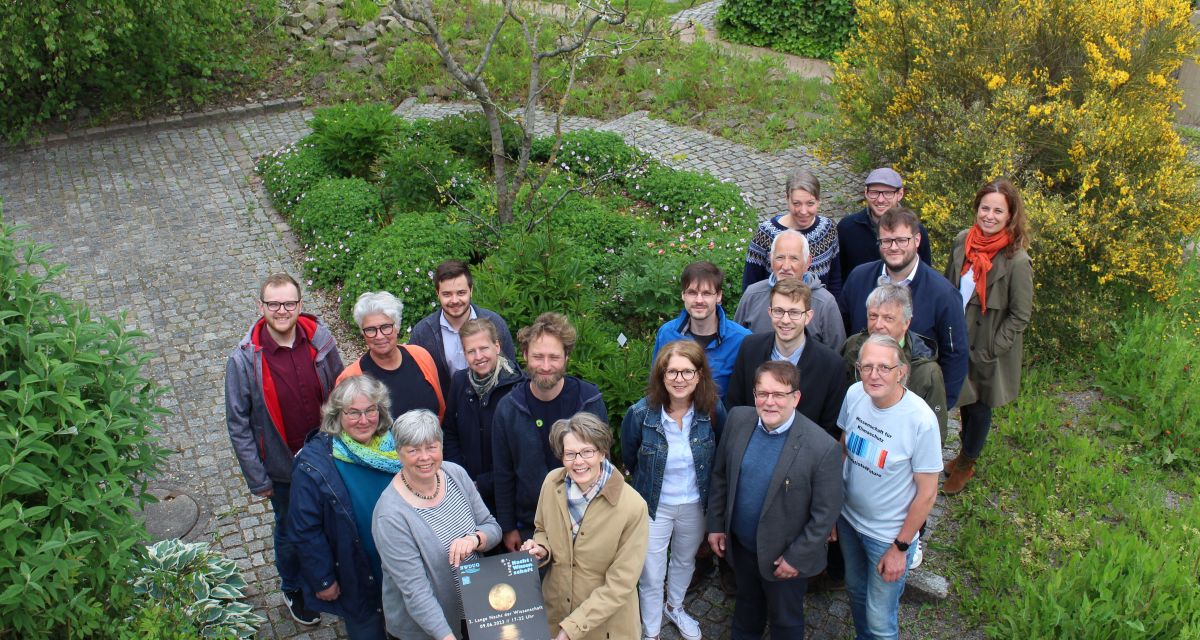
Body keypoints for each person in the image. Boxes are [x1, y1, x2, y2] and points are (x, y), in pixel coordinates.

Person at [225, 272, 344, 626]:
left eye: (289, 303)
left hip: (327, 456)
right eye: (273, 304)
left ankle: (333, 577)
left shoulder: (321, 341)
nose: (282, 310)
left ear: (300, 305)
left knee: (332, 521)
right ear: (261, 306)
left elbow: (341, 392)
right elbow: (238, 423)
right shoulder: (244, 359)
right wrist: (257, 476)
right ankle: (293, 587)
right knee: (291, 529)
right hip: (283, 468)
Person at [707, 361, 843, 640]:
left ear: (795, 398)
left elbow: (826, 512)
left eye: (779, 395)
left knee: (786, 622)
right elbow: (721, 476)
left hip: (785, 559)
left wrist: (796, 558)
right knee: (746, 609)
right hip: (742, 548)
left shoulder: (821, 447)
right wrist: (716, 524)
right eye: (762, 393)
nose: (770, 403)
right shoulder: (737, 420)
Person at [836, 335, 941, 640]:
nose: (874, 374)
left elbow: (928, 493)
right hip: (849, 522)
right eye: (866, 366)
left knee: (881, 621)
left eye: (884, 367)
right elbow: (843, 449)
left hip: (887, 537)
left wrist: (901, 548)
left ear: (901, 372)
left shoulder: (920, 420)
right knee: (856, 593)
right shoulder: (855, 394)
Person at [621, 340, 727, 640]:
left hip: (695, 504)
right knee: (651, 572)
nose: (679, 379)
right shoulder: (640, 415)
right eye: (672, 372)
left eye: (687, 372)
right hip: (654, 506)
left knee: (684, 560)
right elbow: (630, 457)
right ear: (661, 375)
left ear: (699, 375)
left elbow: (721, 455)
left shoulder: (712, 410)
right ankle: (651, 629)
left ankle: (675, 607)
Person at [372, 409, 501, 640]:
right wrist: (447, 636)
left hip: (475, 609)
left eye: (431, 447)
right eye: (413, 450)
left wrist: (475, 539)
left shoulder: (456, 474)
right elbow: (416, 592)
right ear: (399, 453)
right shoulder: (390, 515)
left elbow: (492, 527)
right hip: (427, 629)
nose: (424, 457)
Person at [520, 413, 649, 640]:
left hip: (606, 628)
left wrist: (572, 628)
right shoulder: (551, 483)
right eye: (570, 454)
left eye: (587, 452)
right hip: (556, 614)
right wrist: (542, 549)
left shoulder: (633, 506)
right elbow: (541, 529)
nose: (578, 462)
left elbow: (621, 583)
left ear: (601, 452)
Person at [941, 178, 1033, 494]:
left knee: (980, 406)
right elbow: (948, 287)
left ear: (1010, 216)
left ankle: (966, 463)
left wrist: (994, 347)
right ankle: (963, 453)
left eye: (998, 210)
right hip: (959, 341)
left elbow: (1020, 315)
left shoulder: (1016, 261)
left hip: (987, 348)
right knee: (964, 399)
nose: (989, 216)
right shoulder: (963, 242)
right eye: (984, 208)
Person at [288, 376, 396, 639]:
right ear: (337, 415)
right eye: (353, 413)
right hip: (355, 573)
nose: (364, 420)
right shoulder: (314, 463)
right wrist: (323, 578)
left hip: (400, 567)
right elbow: (304, 528)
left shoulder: (396, 446)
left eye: (370, 410)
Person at [493, 312, 607, 552]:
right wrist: (508, 526)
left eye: (554, 357)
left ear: (566, 357)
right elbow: (503, 473)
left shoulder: (588, 400)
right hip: (530, 525)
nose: (545, 366)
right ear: (524, 355)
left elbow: (604, 465)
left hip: (586, 521)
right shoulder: (508, 408)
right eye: (538, 357)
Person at [841, 206, 969, 411]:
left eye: (901, 240)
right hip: (862, 400)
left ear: (917, 240)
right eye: (886, 241)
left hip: (913, 404)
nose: (893, 247)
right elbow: (845, 332)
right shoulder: (858, 278)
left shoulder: (944, 294)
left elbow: (955, 356)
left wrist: (941, 405)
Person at [727, 277, 848, 439]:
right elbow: (735, 406)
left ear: (808, 316)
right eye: (779, 311)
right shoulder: (750, 348)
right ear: (770, 312)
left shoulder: (831, 365)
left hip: (804, 457)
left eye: (794, 312)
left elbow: (830, 431)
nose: (785, 320)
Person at [842, 284, 948, 443]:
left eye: (888, 318)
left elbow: (935, 436)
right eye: (873, 316)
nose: (878, 325)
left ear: (906, 322)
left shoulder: (927, 371)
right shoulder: (852, 347)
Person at [443, 318, 526, 515]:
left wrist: (482, 484)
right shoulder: (459, 382)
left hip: (509, 493)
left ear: (497, 346)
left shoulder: (518, 388)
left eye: (484, 348)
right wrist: (461, 477)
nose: (478, 356)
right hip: (467, 491)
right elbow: (450, 432)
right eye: (471, 351)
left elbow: (521, 451)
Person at [409, 260, 517, 400]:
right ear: (437, 293)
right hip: (447, 414)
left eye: (461, 293)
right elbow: (418, 382)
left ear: (471, 290)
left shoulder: (494, 323)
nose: (455, 300)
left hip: (491, 409)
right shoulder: (422, 333)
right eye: (447, 294)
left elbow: (511, 372)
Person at [338, 291, 445, 422]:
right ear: (362, 332)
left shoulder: (421, 356)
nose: (379, 336)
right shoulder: (350, 378)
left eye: (386, 327)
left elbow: (442, 411)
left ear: (397, 327)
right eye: (371, 329)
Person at [653, 261, 751, 399]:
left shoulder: (742, 340)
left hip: (722, 419)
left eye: (706, 293)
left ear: (718, 296)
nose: (699, 300)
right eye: (692, 293)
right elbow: (656, 385)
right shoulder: (667, 334)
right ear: (683, 295)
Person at [734, 229, 845, 348]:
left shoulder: (825, 303)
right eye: (780, 257)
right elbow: (735, 343)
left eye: (794, 258)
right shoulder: (752, 294)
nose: (786, 266)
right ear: (771, 259)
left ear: (807, 262)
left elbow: (836, 355)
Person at [742, 169, 843, 300]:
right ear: (787, 199)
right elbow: (750, 285)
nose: (803, 211)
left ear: (819, 201)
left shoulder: (827, 229)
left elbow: (835, 280)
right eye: (797, 203)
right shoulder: (766, 233)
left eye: (810, 203)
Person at [836, 168, 932, 278]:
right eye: (874, 193)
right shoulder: (847, 228)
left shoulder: (915, 231)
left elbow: (924, 274)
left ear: (900, 194)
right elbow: (839, 275)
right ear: (866, 193)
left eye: (888, 193)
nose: (880, 199)